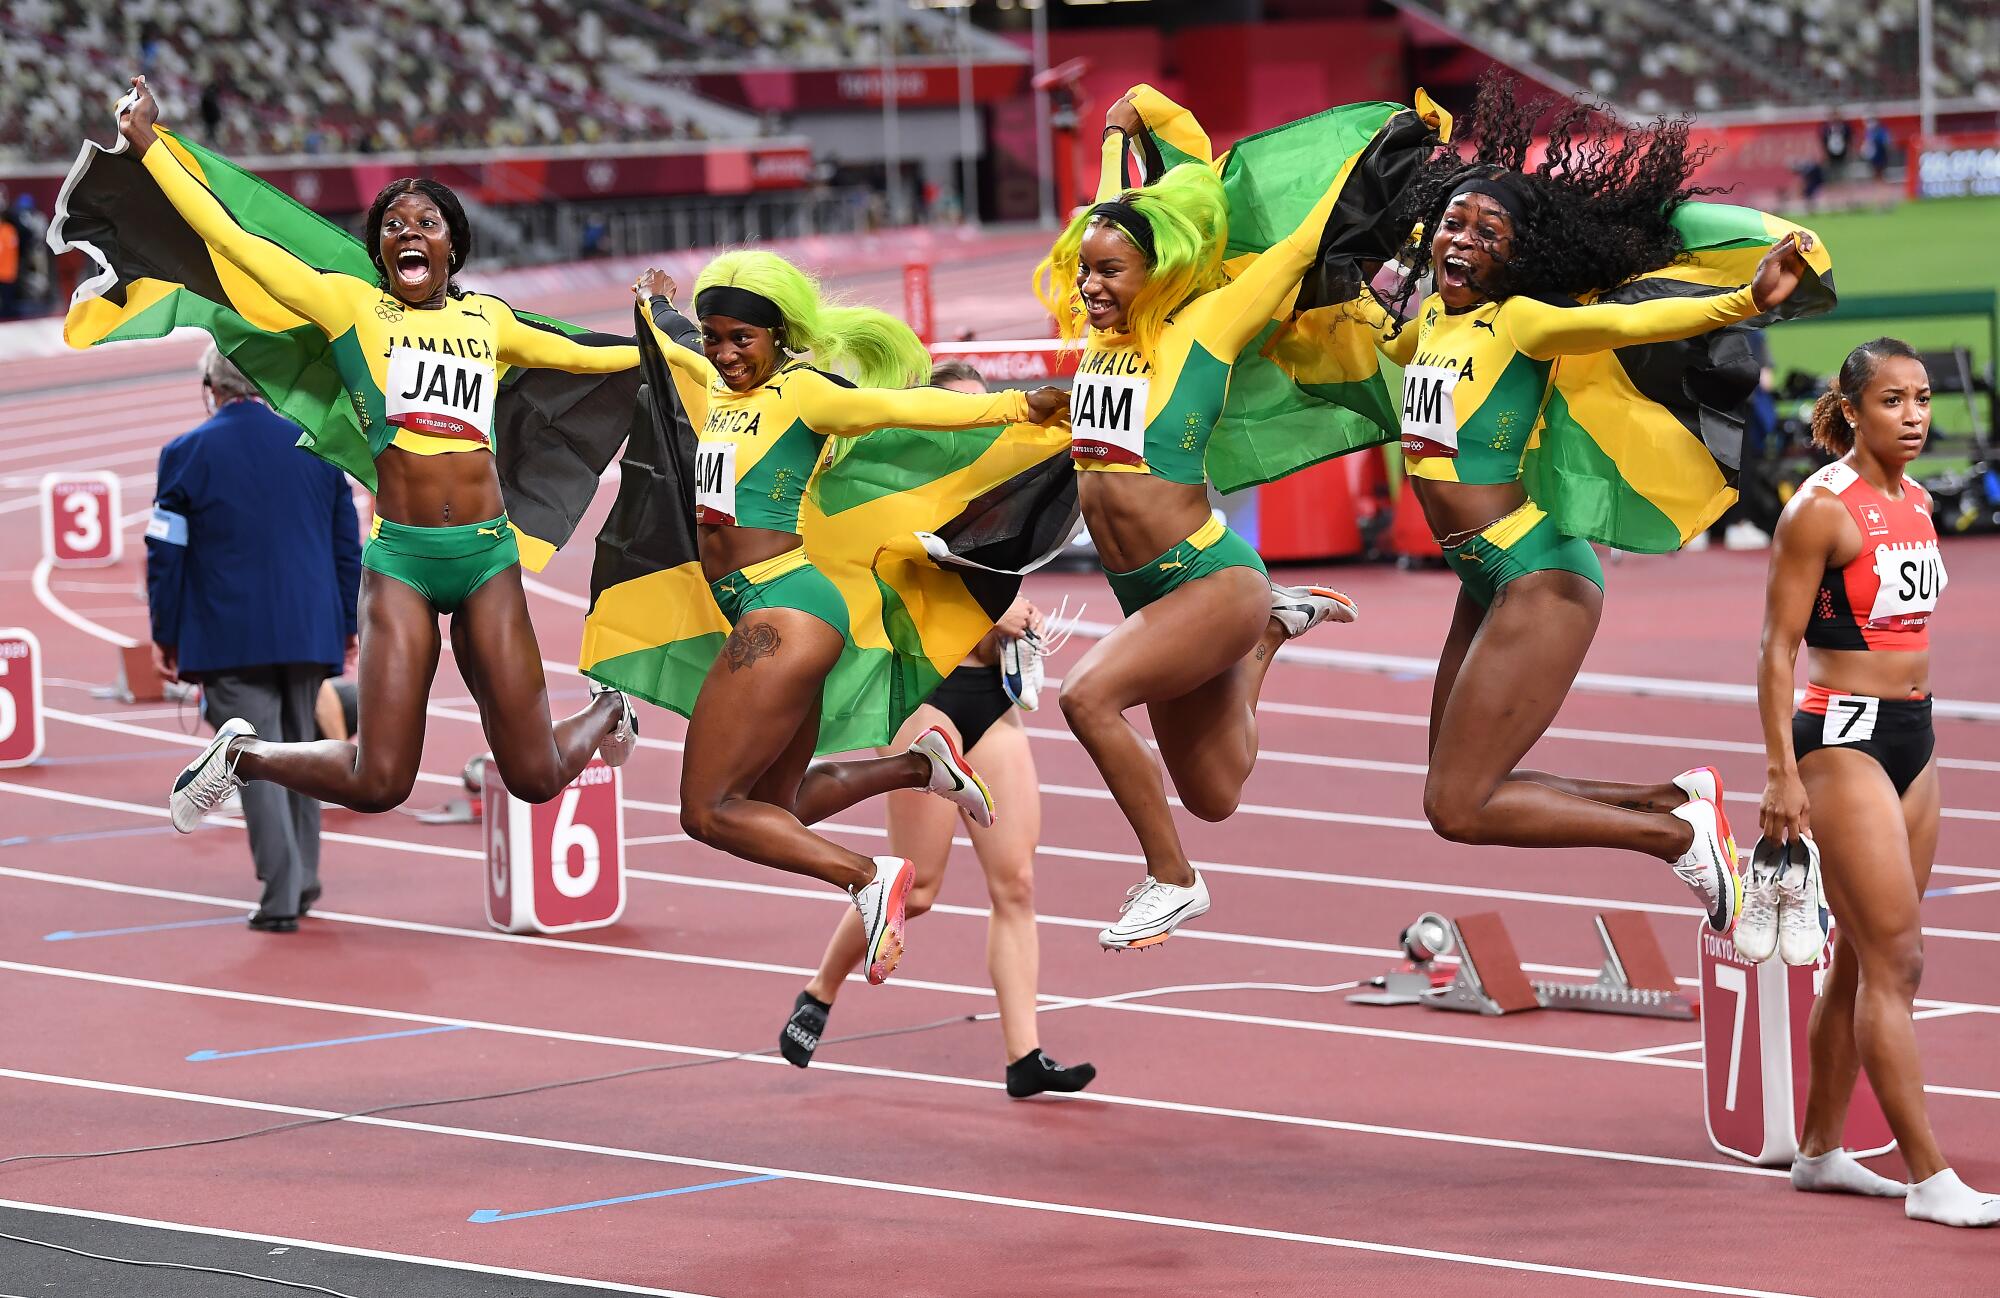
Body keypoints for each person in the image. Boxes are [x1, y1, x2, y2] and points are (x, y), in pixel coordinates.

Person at [1347, 72, 1823, 931]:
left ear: (1516, 257)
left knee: (1459, 807)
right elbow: (1366, 338)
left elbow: (1633, 326)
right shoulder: (1430, 324)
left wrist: (1748, 300)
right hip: (1482, 579)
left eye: (1489, 231)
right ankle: (1673, 803)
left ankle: (1676, 843)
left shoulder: (1524, 319)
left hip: (1538, 574)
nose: (1465, 237)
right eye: (1456, 220)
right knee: (1452, 785)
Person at [111, 77, 644, 835]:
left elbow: (592, 360)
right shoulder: (350, 307)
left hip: (488, 557)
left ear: (451, 244)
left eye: (426, 221)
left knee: (535, 778)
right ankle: (241, 757)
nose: (407, 232)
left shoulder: (490, 319)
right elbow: (235, 240)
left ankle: (609, 707)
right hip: (402, 561)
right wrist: (153, 149)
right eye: (392, 225)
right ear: (380, 250)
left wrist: (669, 341)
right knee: (379, 780)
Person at [634, 256, 1068, 986]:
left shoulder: (804, 394)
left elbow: (911, 409)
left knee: (706, 812)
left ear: (779, 336)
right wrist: (653, 304)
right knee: (779, 806)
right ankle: (918, 766)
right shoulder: (714, 383)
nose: (726, 352)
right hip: (777, 608)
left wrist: (1020, 407)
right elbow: (672, 340)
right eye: (716, 337)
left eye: (743, 337)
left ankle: (867, 877)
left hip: (784, 609)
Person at [1031, 94, 1359, 951]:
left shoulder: (1205, 327)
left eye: (1109, 274)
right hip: (1149, 595)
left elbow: (1295, 251)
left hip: (1209, 579)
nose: (1089, 287)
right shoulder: (1097, 337)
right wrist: (1112, 134)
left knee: (1087, 696)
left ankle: (1172, 880)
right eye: (1084, 272)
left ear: (1161, 273)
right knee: (1215, 793)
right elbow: (1107, 217)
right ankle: (1268, 639)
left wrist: (1367, 159)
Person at [779, 361, 1095, 1097]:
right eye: (954, 413)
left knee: (1015, 881)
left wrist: (1016, 624)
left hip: (994, 699)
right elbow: (910, 571)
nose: (968, 427)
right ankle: (819, 990)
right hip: (927, 698)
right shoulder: (898, 497)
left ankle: (1024, 1057)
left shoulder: (1003, 493)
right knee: (916, 892)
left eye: (977, 413)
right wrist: (990, 610)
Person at [1757, 339, 1997, 1227]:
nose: (1914, 414)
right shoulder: (1820, 510)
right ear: (1851, 410)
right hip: (1842, 740)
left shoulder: (1922, 501)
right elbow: (1776, 648)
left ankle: (1820, 1152)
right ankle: (1931, 1177)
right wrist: (1782, 772)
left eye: (1924, 398)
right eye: (1893, 399)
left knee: (1861, 956)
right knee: (1901, 960)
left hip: (1915, 738)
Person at [147, 346, 361, 931]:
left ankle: (281, 897)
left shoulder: (185, 453)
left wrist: (165, 634)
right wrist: (346, 625)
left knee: (254, 760)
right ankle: (305, 879)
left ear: (211, 388)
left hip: (228, 635)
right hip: (308, 629)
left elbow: (165, 553)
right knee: (302, 754)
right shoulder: (317, 447)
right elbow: (349, 545)